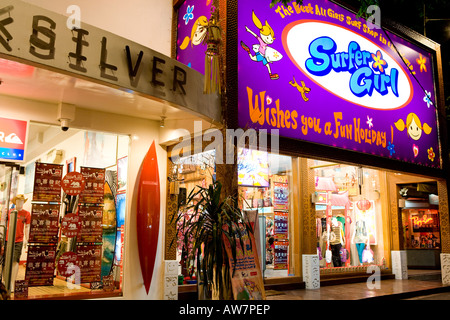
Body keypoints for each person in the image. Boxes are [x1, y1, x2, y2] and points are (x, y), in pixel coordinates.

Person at [2, 194, 31, 291]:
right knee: (6, 261)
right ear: (15, 202)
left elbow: (27, 227)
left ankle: (12, 282)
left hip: (19, 240)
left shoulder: (26, 214)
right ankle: (6, 281)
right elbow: (3, 224)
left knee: (15, 261)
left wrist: (27, 239)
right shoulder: (9, 212)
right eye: (18, 201)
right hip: (7, 239)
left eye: (22, 201)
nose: (20, 203)